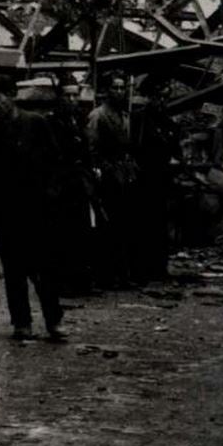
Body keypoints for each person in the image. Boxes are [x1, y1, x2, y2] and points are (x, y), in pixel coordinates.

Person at [0, 77, 68, 341]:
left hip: (38, 210)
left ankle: (54, 320)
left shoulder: (36, 124)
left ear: (11, 95)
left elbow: (56, 164)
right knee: (14, 271)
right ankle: (21, 322)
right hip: (7, 212)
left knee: (44, 269)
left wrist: (51, 198)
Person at [86, 73, 137, 288]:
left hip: (124, 174)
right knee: (107, 226)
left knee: (124, 225)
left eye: (121, 87)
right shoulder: (98, 115)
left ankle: (122, 273)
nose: (119, 91)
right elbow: (91, 147)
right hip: (107, 175)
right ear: (107, 91)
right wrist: (98, 171)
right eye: (115, 88)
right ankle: (105, 275)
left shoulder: (125, 115)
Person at [134, 75, 183, 282]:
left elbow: (176, 148)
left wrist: (176, 161)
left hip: (163, 181)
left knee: (161, 225)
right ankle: (143, 269)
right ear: (148, 97)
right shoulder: (139, 120)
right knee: (145, 225)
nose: (161, 101)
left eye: (163, 97)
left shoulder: (168, 121)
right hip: (145, 180)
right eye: (157, 97)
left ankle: (159, 268)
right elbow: (135, 148)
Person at [49, 81, 95, 296]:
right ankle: (63, 283)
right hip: (62, 184)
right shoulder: (53, 122)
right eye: (67, 96)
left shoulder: (78, 120)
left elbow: (85, 150)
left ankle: (80, 281)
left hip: (79, 183)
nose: (72, 100)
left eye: (75, 96)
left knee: (81, 232)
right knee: (63, 234)